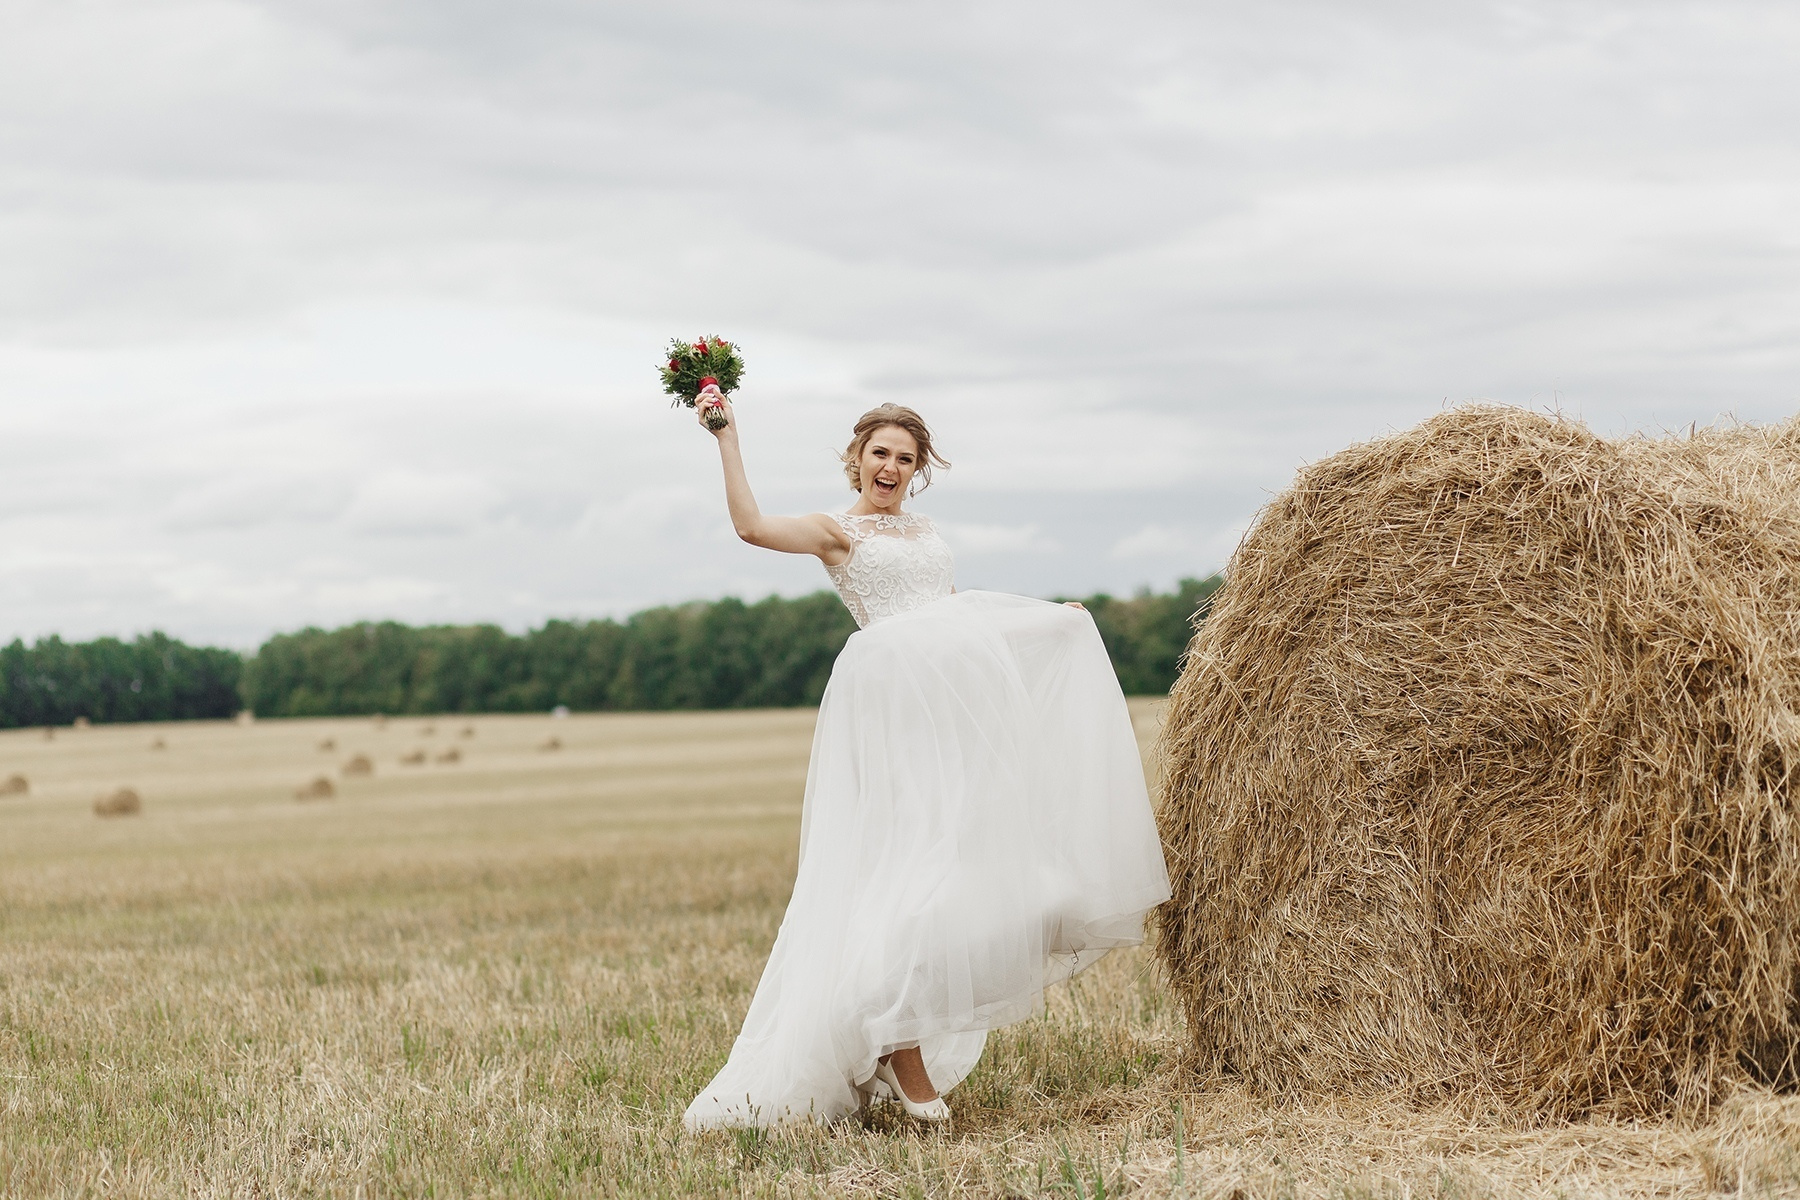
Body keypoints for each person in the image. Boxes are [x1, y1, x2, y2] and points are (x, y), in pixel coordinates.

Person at [682, 389, 1170, 1129]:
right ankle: (898, 1047)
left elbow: (956, 616)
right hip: (890, 715)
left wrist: (1046, 625)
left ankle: (894, 1028)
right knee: (903, 871)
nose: (892, 466)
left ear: (920, 470)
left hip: (949, 712)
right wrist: (726, 436)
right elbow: (750, 527)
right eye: (880, 452)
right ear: (857, 459)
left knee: (969, 866)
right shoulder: (835, 532)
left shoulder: (926, 532)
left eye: (906, 458)